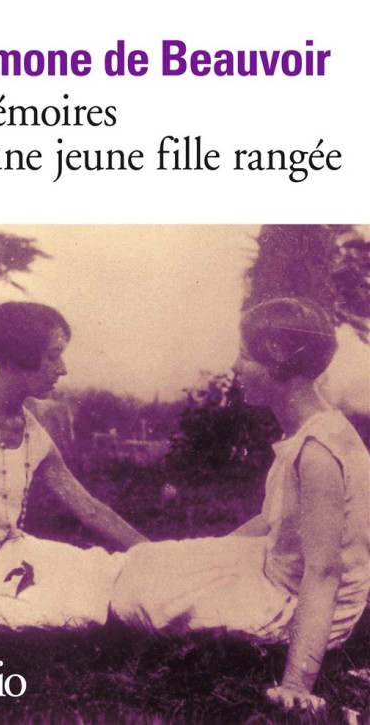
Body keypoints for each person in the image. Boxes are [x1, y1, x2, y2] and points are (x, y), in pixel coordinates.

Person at [111, 297, 370, 711]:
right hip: (281, 570)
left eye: (245, 356)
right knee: (151, 561)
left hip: (303, 604)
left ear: (277, 361)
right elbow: (275, 520)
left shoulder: (318, 453)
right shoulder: (311, 429)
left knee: (144, 600)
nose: (235, 366)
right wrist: (207, 556)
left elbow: (324, 572)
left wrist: (296, 685)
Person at [0, 302, 148, 655]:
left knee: (102, 576)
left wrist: (151, 554)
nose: (62, 369)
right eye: (53, 355)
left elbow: (90, 509)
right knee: (59, 616)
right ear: (18, 355)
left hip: (7, 558)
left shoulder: (32, 432)